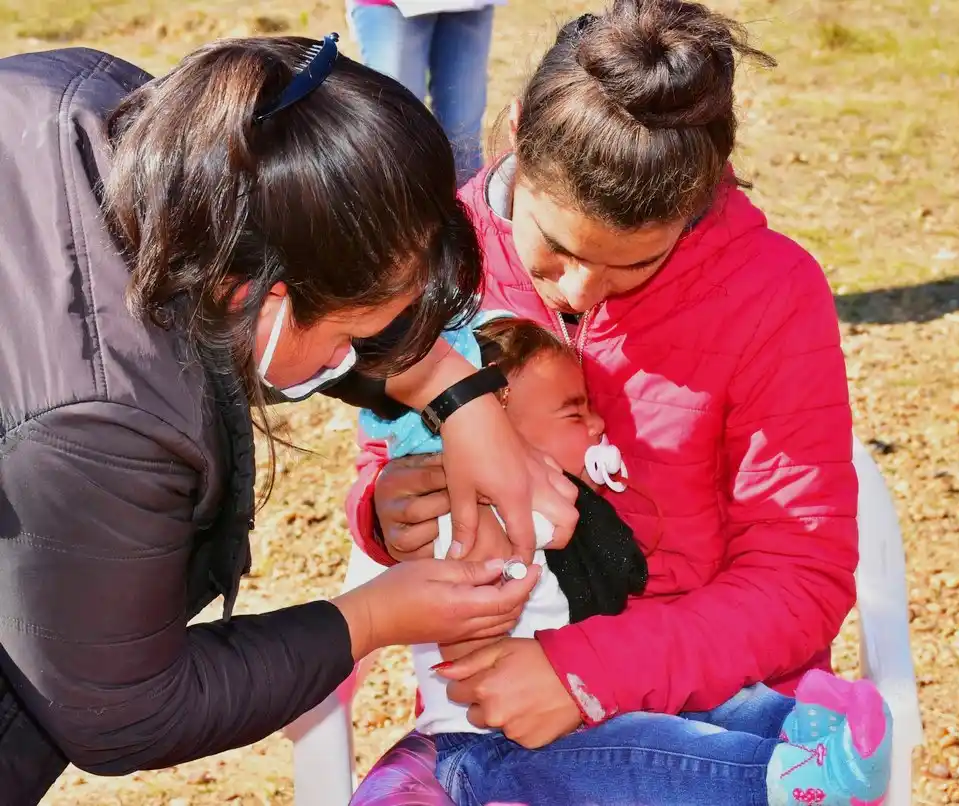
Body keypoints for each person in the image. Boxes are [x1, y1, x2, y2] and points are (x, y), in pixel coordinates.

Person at [0, 34, 579, 804]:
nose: (361, 353)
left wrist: (457, 391)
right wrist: (368, 618)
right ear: (255, 299)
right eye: (351, 334)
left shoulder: (127, 124)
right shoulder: (101, 426)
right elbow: (123, 710)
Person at [349, 0, 866, 799]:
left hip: (715, 711)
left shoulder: (770, 292)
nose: (582, 288)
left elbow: (800, 575)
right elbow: (385, 452)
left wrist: (585, 673)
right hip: (484, 712)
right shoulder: (438, 258)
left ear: (693, 203)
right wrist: (387, 512)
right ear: (518, 133)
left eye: (635, 264)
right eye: (553, 248)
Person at [355, 316, 892, 806]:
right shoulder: (472, 519)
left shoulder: (561, 513)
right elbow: (492, 574)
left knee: (718, 708)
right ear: (495, 434)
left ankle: (812, 728)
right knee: (648, 758)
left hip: (574, 712)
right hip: (491, 750)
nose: (596, 426)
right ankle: (778, 782)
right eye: (573, 412)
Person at [347, 0, 496, 184]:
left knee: (463, 138)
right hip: (391, 6)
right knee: (396, 137)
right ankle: (397, 212)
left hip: (469, 6)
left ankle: (462, 210)